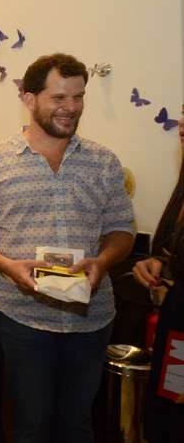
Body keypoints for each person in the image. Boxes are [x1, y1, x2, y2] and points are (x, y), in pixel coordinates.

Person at [0, 53, 136, 443]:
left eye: (78, 97)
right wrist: (6, 266)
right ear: (28, 97)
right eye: (58, 98)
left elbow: (123, 230)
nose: (70, 108)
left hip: (92, 319)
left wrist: (103, 261)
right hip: (23, 320)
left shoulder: (104, 162)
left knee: (78, 426)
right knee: (30, 427)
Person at [132, 106, 184, 443]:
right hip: (177, 337)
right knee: (169, 419)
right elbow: (172, 251)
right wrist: (157, 264)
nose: (182, 125)